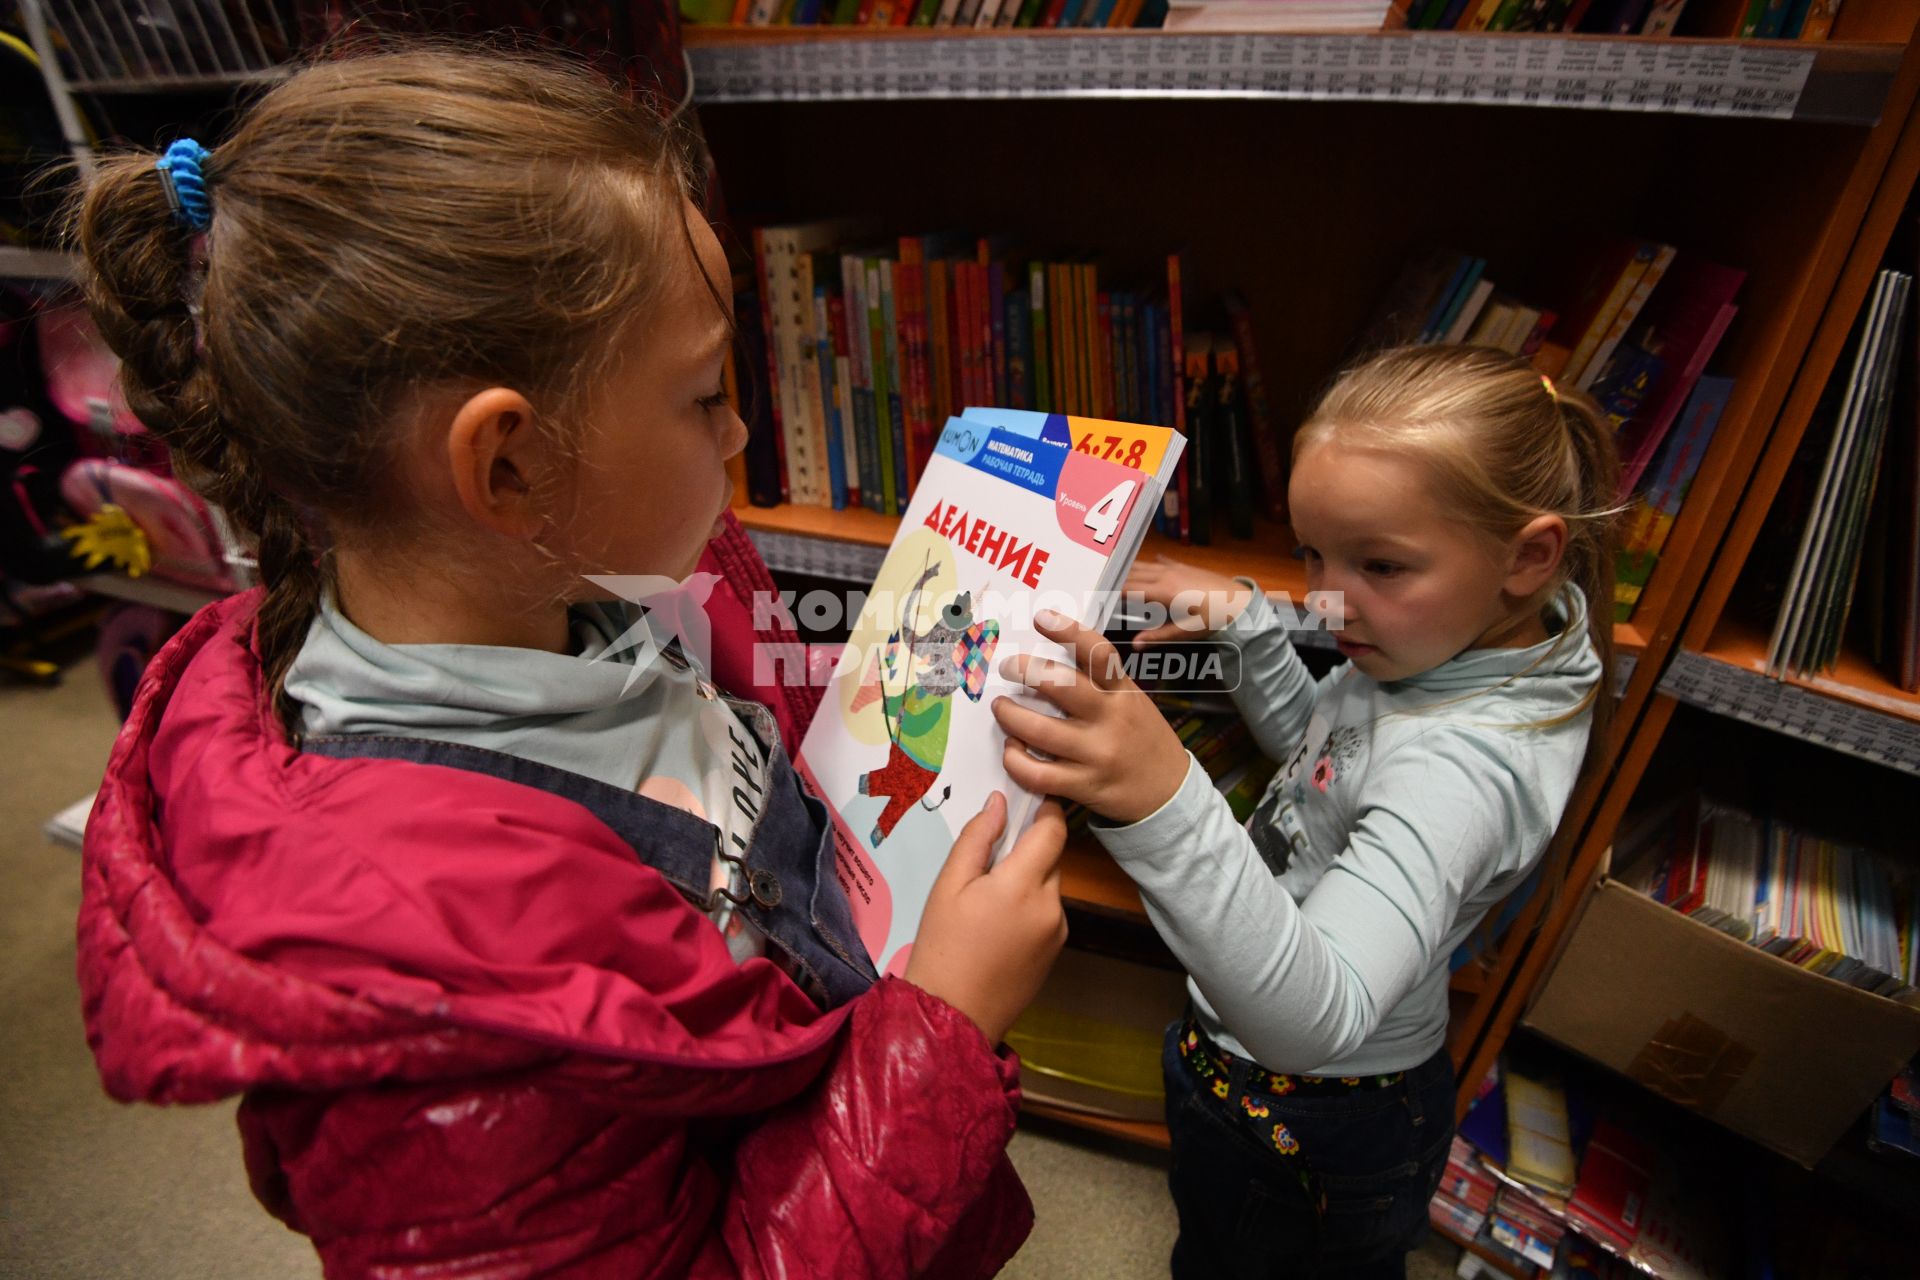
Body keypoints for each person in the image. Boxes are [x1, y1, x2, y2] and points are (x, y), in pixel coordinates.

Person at [73, 45, 1068, 1280]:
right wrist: (946, 1034)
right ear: (508, 467)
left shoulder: (608, 575)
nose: (744, 427)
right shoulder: (423, 1004)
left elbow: (759, 740)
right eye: (705, 393)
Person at [990, 344, 1618, 1277]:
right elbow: (1328, 771)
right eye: (1313, 556)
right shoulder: (1434, 651)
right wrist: (1250, 630)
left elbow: (1312, 1019)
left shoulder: (1464, 763)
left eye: (1380, 565)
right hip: (1261, 1074)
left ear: (1527, 557)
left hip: (1315, 1110)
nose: (1326, 599)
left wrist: (1166, 801)